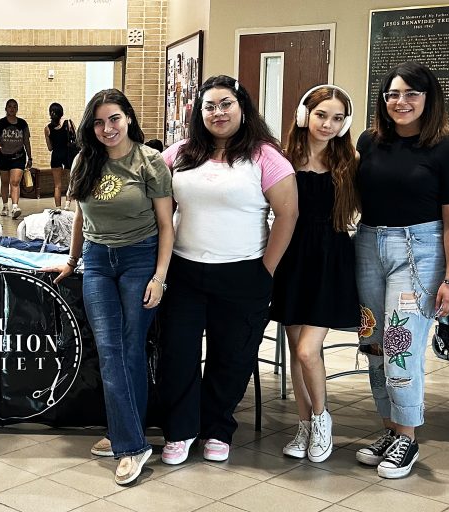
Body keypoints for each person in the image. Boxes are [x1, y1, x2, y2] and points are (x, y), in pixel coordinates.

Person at [158, 75, 298, 464]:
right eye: (209, 106)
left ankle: (217, 427)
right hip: (185, 272)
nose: (217, 113)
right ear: (198, 112)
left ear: (242, 107)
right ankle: (181, 431)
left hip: (243, 274)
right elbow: (161, 210)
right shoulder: (179, 154)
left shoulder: (265, 157)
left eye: (226, 104)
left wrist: (265, 270)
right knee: (179, 353)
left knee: (232, 356)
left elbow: (287, 215)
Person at [43, 89, 174, 486]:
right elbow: (81, 217)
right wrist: (72, 259)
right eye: (99, 122)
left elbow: (167, 226)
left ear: (128, 118)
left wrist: (159, 277)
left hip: (140, 259)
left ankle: (130, 444)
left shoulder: (150, 162)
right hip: (98, 261)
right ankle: (128, 437)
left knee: (131, 350)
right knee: (111, 351)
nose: (107, 128)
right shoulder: (85, 159)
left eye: (114, 119)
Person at [353, 61, 449, 479]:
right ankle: (389, 429)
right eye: (392, 94)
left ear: (428, 98)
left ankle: (408, 436)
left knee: (401, 347)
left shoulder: (446, 148)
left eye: (410, 94)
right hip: (368, 244)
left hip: (418, 251)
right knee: (374, 344)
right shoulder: (369, 141)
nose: (400, 102)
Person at [269, 85, 360, 463]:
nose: (328, 123)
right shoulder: (282, 157)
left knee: (309, 350)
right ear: (305, 115)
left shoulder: (350, 159)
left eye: (337, 117)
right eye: (322, 114)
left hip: (331, 259)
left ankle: (322, 420)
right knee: (295, 349)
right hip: (292, 255)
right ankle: (303, 425)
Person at [0, 99, 32, 219]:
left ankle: (15, 206)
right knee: (5, 182)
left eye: (14, 107)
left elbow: (26, 142)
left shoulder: (22, 124)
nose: (12, 109)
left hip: (18, 156)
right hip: (3, 156)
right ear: (6, 108)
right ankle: (5, 206)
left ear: (17, 109)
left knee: (15, 182)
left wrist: (30, 157)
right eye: (10, 106)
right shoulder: (0, 123)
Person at [43, 102, 76, 208]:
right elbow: (75, 138)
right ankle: (67, 204)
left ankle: (58, 208)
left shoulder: (47, 128)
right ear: (61, 113)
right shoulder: (68, 123)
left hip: (56, 155)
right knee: (69, 181)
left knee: (57, 185)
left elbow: (50, 148)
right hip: (68, 155)